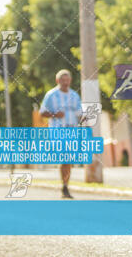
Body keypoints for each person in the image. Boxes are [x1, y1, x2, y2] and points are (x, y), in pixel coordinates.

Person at [39, 69, 82, 198]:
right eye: (62, 80)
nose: (65, 82)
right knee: (65, 158)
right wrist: (54, 114)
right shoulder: (51, 95)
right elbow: (42, 112)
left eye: (67, 80)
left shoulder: (75, 95)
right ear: (57, 81)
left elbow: (80, 114)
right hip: (58, 131)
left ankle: (65, 186)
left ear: (70, 81)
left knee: (68, 160)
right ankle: (65, 186)